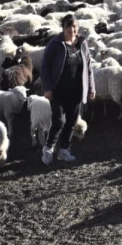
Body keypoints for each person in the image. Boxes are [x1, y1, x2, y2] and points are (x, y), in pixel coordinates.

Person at [39, 13, 94, 165]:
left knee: (71, 121)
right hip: (58, 90)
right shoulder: (55, 44)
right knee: (59, 120)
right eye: (69, 26)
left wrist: (91, 87)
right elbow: (44, 67)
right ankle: (49, 148)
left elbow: (88, 67)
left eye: (75, 26)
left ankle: (64, 149)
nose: (72, 29)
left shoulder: (82, 43)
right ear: (63, 28)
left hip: (76, 89)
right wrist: (48, 88)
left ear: (78, 28)